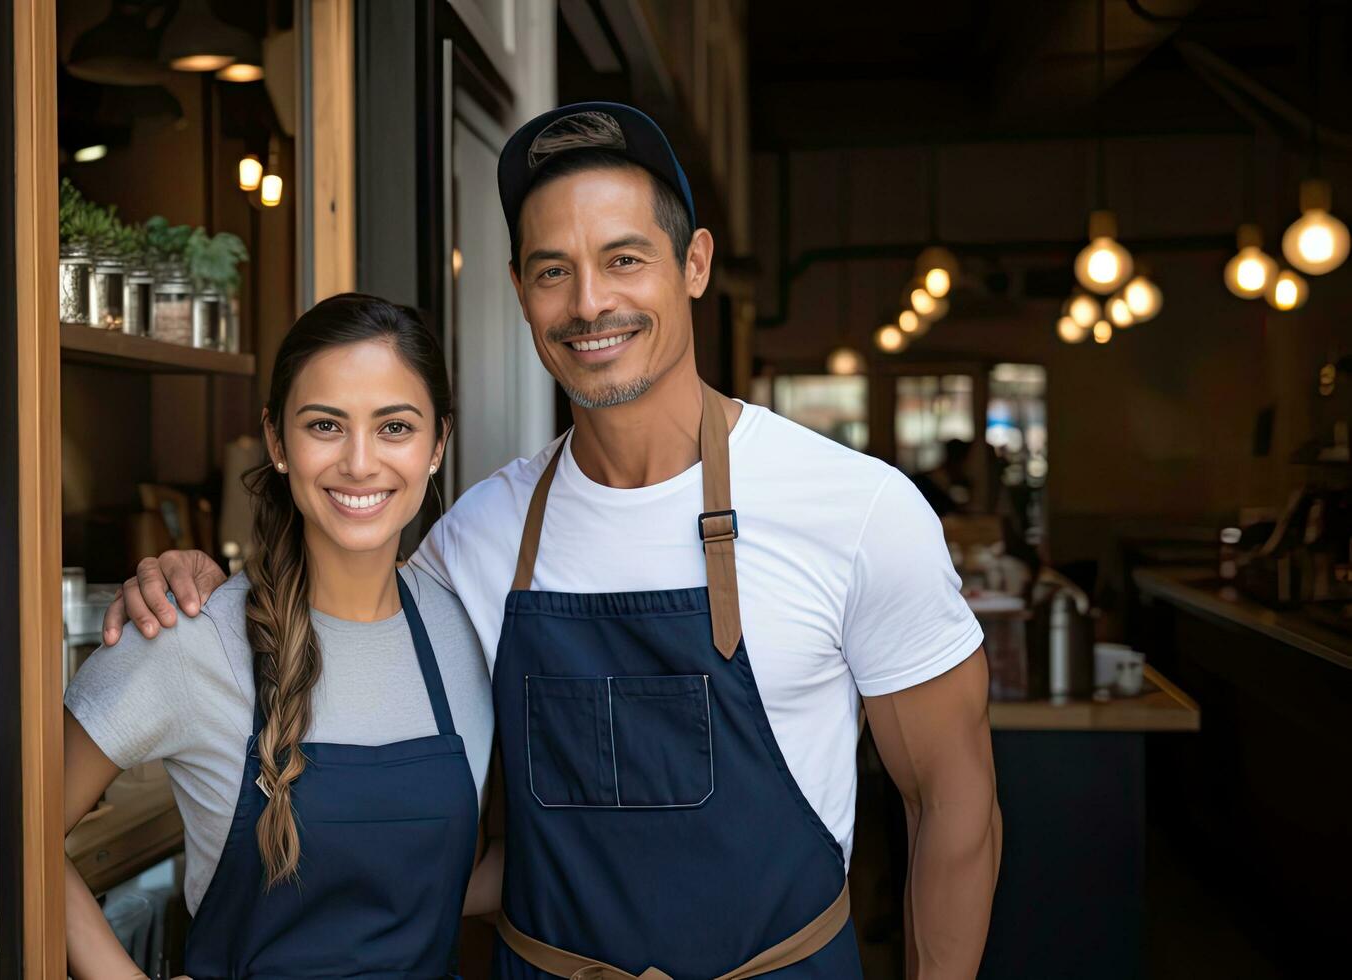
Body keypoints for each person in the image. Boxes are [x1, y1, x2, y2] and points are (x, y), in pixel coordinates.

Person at [106, 103, 1001, 979]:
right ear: (519, 292)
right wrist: (195, 587)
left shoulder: (855, 509)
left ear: (693, 264)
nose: (589, 303)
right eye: (551, 271)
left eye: (624, 259)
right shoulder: (473, 541)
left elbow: (952, 807)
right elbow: (337, 628)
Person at [62, 295, 498, 979]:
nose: (359, 462)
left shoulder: (464, 631)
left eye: (395, 427)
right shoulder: (186, 636)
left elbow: (437, 881)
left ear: (437, 444)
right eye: (325, 424)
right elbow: (19, 826)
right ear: (276, 441)